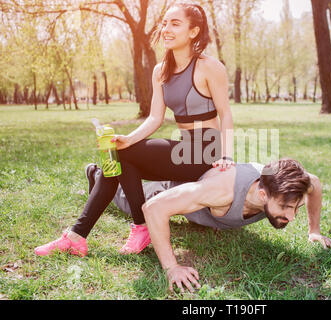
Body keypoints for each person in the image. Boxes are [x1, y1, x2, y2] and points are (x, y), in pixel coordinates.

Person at [34, 3, 234, 256]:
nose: (166, 29)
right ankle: (83, 235)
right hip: (184, 148)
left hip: (206, 151)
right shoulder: (160, 71)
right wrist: (127, 139)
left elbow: (226, 113)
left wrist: (226, 156)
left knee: (122, 157)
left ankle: (129, 227)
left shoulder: (209, 66)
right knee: (120, 156)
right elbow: (155, 118)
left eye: (175, 24)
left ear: (194, 32)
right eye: (164, 23)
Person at [115, 158, 331, 293]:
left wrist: (314, 231)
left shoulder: (284, 187)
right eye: (286, 207)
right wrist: (172, 268)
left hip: (206, 202)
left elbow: (314, 183)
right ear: (262, 195)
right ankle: (97, 175)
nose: (292, 216)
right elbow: (153, 208)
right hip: (170, 190)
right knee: (128, 199)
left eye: (296, 207)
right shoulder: (221, 192)